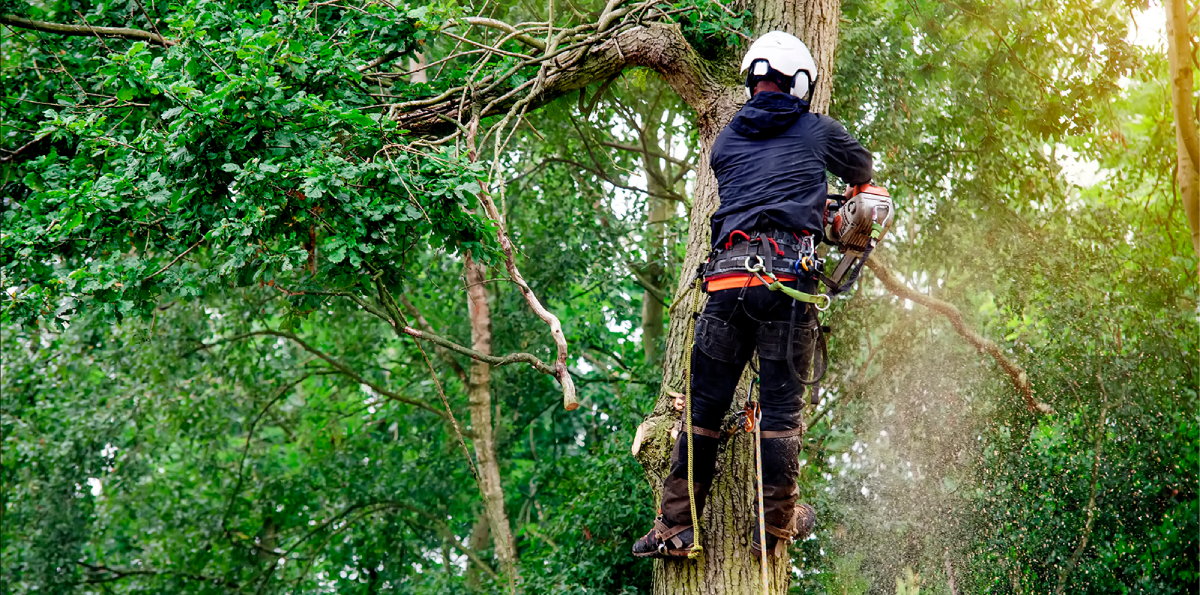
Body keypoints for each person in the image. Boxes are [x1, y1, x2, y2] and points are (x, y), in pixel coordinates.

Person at [632, 30, 874, 559]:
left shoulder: (725, 140)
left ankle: (677, 527)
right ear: (801, 81)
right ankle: (773, 526)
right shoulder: (817, 130)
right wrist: (836, 212)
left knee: (702, 410)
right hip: (787, 286)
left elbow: (758, 185)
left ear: (752, 79)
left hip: (725, 283)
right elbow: (863, 170)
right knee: (783, 411)